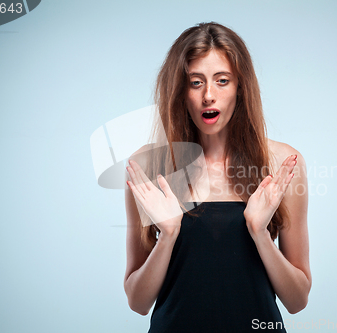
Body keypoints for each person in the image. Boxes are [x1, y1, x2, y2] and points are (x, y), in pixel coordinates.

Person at [123, 22, 311, 332]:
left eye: (222, 81)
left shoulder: (282, 164)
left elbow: (297, 300)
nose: (209, 95)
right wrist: (168, 235)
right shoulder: (149, 165)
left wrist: (258, 231)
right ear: (180, 91)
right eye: (196, 82)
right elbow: (138, 302)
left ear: (241, 86)